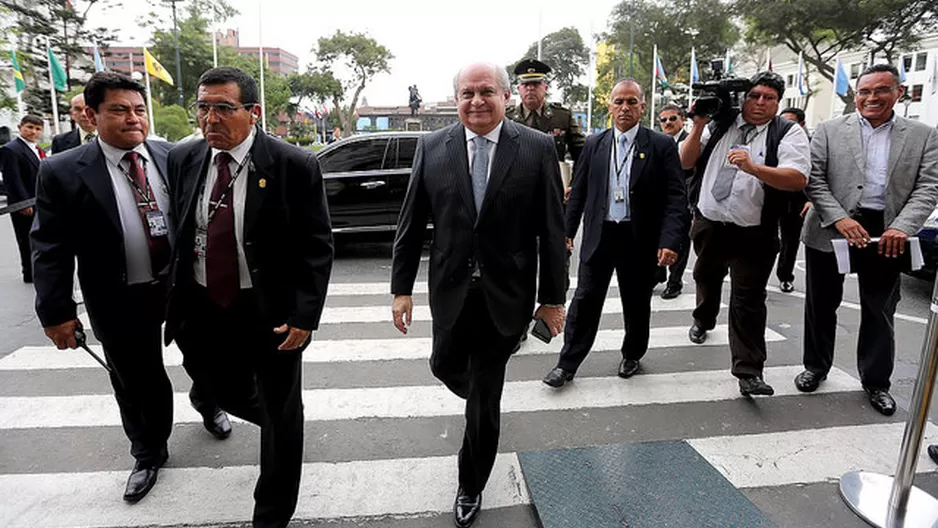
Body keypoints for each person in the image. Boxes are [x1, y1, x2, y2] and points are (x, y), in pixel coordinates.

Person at [30, 72, 230, 504]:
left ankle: (208, 401)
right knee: (137, 381)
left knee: (209, 358)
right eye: (119, 110)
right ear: (91, 114)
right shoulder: (62, 171)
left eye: (139, 110)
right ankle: (148, 452)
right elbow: (49, 247)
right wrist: (57, 311)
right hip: (119, 297)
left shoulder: (172, 155)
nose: (133, 119)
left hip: (183, 288)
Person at [391, 62, 566, 528]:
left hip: (504, 295)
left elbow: (552, 230)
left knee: (485, 398)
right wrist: (400, 289)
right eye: (467, 92)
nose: (476, 101)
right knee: (443, 365)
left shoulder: (536, 148)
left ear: (506, 96)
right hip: (450, 291)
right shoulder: (433, 147)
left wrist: (552, 298)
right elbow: (411, 226)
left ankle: (471, 485)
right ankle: (478, 400)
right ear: (456, 99)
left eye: (487, 91)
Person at [164, 66, 334, 528]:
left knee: (281, 414)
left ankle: (272, 512)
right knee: (219, 387)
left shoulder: (291, 164)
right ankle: (229, 408)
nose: (210, 118)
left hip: (269, 312)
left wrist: (304, 316)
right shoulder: (183, 158)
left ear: (253, 113)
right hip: (203, 306)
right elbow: (183, 231)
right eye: (203, 107)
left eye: (224, 108)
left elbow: (317, 246)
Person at [797, 64, 938, 416]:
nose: (871, 98)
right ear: (856, 94)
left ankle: (876, 383)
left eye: (881, 90)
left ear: (898, 93)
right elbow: (813, 180)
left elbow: (928, 186)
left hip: (888, 231)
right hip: (831, 226)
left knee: (880, 309)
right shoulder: (829, 130)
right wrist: (841, 218)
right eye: (865, 91)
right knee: (820, 304)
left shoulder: (924, 135)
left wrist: (903, 227)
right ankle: (815, 367)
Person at [541, 80, 688, 388]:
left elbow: (676, 198)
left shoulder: (660, 145)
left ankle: (632, 354)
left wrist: (669, 240)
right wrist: (567, 232)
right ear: (609, 106)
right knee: (584, 301)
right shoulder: (595, 144)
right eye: (619, 102)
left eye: (631, 102)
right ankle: (567, 365)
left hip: (640, 239)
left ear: (642, 107)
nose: (624, 107)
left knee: (636, 303)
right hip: (600, 236)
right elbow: (578, 191)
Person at [680, 71, 810, 396]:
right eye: (754, 96)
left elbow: (796, 178)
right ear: (743, 98)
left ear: (778, 103)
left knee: (748, 300)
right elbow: (685, 161)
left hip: (755, 232)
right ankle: (703, 318)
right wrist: (697, 124)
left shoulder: (787, 132)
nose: (760, 103)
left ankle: (749, 371)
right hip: (710, 222)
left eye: (769, 98)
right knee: (706, 276)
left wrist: (755, 168)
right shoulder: (721, 124)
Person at [506, 58, 585, 166]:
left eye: (536, 84)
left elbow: (581, 151)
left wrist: (575, 180)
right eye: (525, 84)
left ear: (546, 88)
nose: (530, 88)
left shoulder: (562, 116)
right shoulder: (506, 118)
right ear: (518, 89)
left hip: (552, 179)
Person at [0, 115, 45, 283]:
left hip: (39, 202)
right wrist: (22, 203)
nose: (33, 131)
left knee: (39, 237)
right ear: (20, 127)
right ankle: (29, 272)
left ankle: (38, 270)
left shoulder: (36, 148)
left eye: (37, 128)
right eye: (29, 127)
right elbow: (12, 180)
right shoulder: (11, 149)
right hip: (24, 205)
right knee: (26, 239)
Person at [656, 103, 693, 299]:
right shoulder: (657, 142)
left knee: (679, 241)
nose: (668, 123)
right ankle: (658, 273)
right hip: (659, 199)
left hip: (683, 200)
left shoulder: (690, 141)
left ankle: (675, 282)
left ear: (682, 120)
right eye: (663, 120)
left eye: (672, 118)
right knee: (656, 237)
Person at [775, 107, 810, 293]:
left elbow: (817, 174)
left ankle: (785, 276)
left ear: (802, 124)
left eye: (791, 122)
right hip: (772, 198)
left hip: (797, 202)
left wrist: (810, 199)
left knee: (791, 241)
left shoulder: (809, 144)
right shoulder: (773, 139)